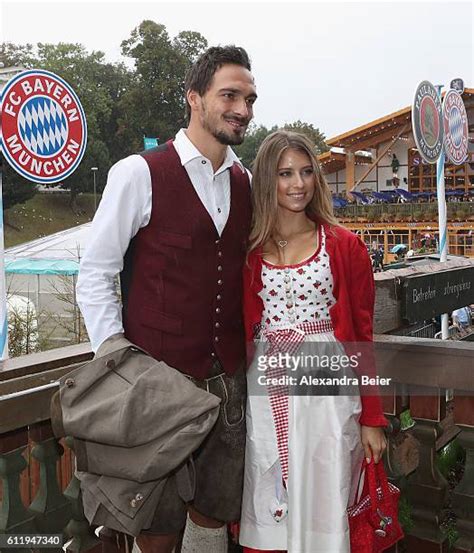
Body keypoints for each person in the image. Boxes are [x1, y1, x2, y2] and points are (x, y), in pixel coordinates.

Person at [76, 45, 257, 553]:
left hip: (228, 388)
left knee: (214, 516)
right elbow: (96, 271)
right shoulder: (138, 172)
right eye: (229, 95)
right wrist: (115, 359)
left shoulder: (244, 181)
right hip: (156, 388)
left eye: (249, 98)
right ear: (194, 98)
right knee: (156, 529)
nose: (242, 109)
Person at [239, 131, 388, 553]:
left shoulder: (344, 246)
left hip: (326, 386)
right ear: (267, 179)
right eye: (285, 173)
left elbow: (362, 336)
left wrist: (372, 418)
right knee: (269, 489)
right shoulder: (248, 251)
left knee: (327, 490)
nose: (298, 183)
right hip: (266, 388)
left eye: (306, 172)